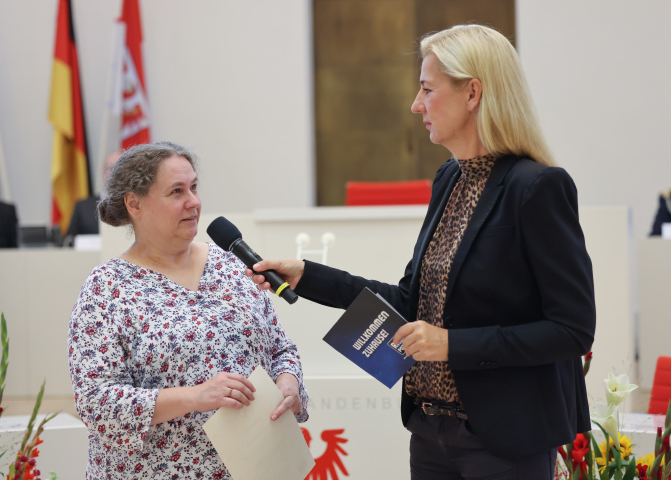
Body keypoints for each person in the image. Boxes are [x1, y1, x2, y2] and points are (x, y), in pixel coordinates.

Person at [249, 25, 595, 480]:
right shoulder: (449, 180)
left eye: (427, 89)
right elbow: (413, 301)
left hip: (506, 437)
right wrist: (307, 276)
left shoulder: (537, 188)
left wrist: (451, 345)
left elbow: (571, 330)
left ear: (473, 93)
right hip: (431, 431)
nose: (416, 105)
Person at [68, 141, 308, 479]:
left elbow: (280, 349)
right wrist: (196, 396)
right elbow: (96, 402)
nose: (193, 201)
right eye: (176, 191)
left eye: (194, 187)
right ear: (134, 204)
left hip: (257, 467)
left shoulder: (230, 265)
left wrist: (288, 384)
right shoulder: (107, 288)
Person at [66, 151, 122, 239]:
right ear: (103, 172)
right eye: (111, 168)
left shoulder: (134, 206)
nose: (115, 173)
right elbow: (69, 242)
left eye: (119, 169)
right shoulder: (83, 207)